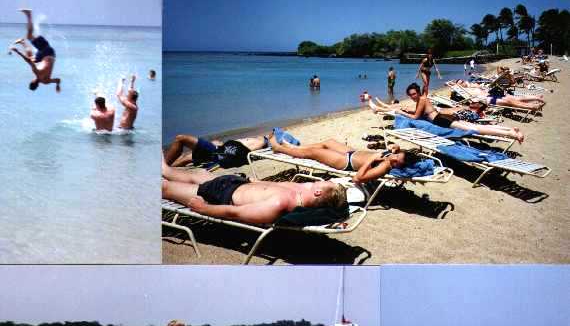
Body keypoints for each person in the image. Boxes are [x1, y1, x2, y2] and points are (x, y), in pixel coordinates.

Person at [162, 157, 347, 224]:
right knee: (173, 171)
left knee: (165, 187)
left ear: (318, 193)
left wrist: (204, 209)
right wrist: (249, 179)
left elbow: (235, 212)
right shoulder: (303, 189)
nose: (326, 179)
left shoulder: (279, 204)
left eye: (328, 183)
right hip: (236, 181)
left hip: (218, 194)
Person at [373, 83, 526, 143]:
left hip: (441, 120)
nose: (412, 96)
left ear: (418, 92)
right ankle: (509, 130)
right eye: (410, 94)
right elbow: (422, 111)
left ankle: (512, 134)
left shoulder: (421, 100)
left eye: (413, 93)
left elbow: (415, 117)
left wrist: (401, 111)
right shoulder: (423, 99)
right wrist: (409, 109)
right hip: (442, 117)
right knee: (470, 125)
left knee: (474, 129)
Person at [268, 134, 410, 185]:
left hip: (346, 162)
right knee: (328, 142)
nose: (394, 157)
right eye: (398, 155)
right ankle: (295, 148)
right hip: (352, 152)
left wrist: (371, 159)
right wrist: (395, 147)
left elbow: (357, 179)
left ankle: (278, 148)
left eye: (397, 161)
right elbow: (397, 148)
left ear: (398, 166)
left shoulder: (384, 167)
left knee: (315, 152)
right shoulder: (393, 156)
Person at [11, 9, 60, 92]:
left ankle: (22, 42)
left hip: (51, 55)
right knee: (29, 36)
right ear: (32, 81)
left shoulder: (46, 82)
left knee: (33, 59)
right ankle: (28, 14)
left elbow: (58, 80)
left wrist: (57, 86)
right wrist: (17, 52)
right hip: (46, 51)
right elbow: (28, 61)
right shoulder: (36, 72)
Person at [164, 133, 270, 167]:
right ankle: (166, 168)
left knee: (181, 138)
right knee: (186, 158)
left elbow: (241, 155)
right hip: (219, 151)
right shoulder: (258, 140)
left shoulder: (260, 142)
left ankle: (163, 167)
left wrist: (218, 146)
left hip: (218, 152)